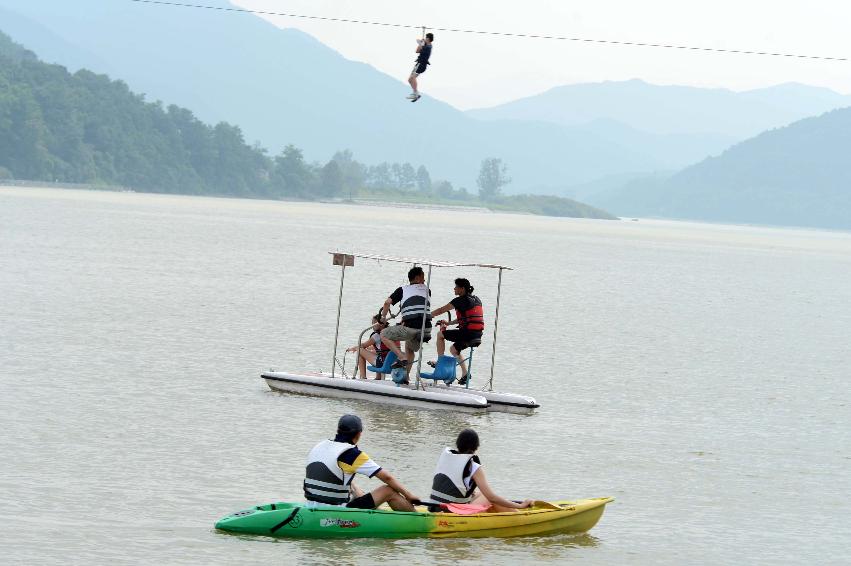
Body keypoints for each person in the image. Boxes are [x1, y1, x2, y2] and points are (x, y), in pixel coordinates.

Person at [304, 414, 419, 511]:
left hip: (312, 506)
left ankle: (376, 511)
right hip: (337, 512)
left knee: (351, 484)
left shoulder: (320, 446)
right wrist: (408, 495)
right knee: (388, 490)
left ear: (338, 430)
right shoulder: (351, 454)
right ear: (359, 434)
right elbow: (387, 477)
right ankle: (419, 520)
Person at [430, 428, 533, 512]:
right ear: (476, 446)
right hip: (452, 511)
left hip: (433, 507)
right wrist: (521, 505)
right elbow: (492, 497)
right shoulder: (473, 466)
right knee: (488, 497)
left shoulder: (447, 457)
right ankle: (518, 514)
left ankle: (499, 513)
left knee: (478, 494)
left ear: (458, 444)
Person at [380, 266, 432, 382]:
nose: (424, 280)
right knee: (409, 348)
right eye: (423, 277)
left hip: (412, 328)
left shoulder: (402, 290)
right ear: (418, 278)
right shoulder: (427, 290)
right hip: (426, 329)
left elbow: (387, 303)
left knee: (383, 334)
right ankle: (406, 376)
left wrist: (383, 318)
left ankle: (401, 356)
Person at [429, 278, 484, 385]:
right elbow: (466, 318)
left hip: (467, 333)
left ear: (462, 289)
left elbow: (441, 310)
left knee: (440, 335)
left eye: (456, 287)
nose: (454, 289)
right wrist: (448, 323)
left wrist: (428, 315)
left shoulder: (460, 300)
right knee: (454, 349)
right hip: (477, 335)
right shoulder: (476, 299)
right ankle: (465, 373)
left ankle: (440, 362)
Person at [346, 315, 395, 379]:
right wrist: (368, 349)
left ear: (380, 324)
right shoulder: (390, 333)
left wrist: (353, 348)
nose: (372, 325)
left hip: (382, 363)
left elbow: (363, 345)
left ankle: (363, 377)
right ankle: (378, 377)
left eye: (374, 323)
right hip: (392, 363)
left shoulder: (376, 335)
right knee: (375, 352)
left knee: (359, 350)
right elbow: (379, 347)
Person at [407, 32, 434, 102]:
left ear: (428, 38)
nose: (425, 39)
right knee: (410, 80)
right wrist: (421, 43)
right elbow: (417, 49)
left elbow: (417, 50)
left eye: (426, 38)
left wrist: (421, 44)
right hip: (419, 64)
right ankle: (415, 93)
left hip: (421, 64)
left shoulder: (428, 47)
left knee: (412, 78)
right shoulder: (427, 45)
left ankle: (416, 94)